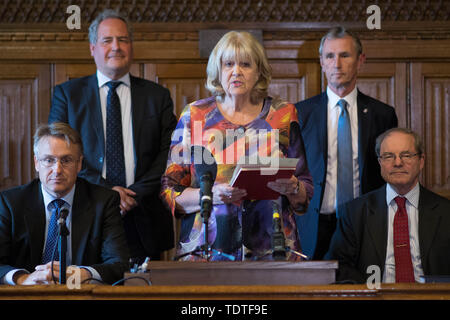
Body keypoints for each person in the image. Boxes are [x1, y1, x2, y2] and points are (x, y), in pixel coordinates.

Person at [161, 31, 313, 261]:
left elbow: (305, 192)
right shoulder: (195, 115)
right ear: (217, 70)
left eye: (245, 64)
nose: (236, 71)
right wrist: (210, 193)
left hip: (272, 249)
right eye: (228, 64)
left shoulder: (282, 114)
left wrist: (292, 187)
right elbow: (169, 191)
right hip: (207, 253)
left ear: (259, 71)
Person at [49, 10, 177, 263]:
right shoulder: (67, 95)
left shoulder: (157, 96)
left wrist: (131, 195)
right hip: (88, 213)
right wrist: (109, 192)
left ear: (131, 46)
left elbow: (169, 152)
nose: (116, 47)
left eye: (123, 40)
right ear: (93, 48)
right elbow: (59, 152)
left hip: (144, 217)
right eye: (108, 41)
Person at [295, 26, 398, 260]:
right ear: (321, 61)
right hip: (315, 225)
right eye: (330, 56)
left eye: (345, 55)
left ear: (360, 60)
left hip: (366, 223)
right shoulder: (301, 113)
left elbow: (390, 174)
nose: (336, 64)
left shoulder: (382, 115)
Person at [0, 123, 129, 285]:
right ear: (36, 163)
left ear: (79, 164)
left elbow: (119, 264)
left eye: (66, 160)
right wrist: (23, 279)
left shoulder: (103, 201)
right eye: (49, 160)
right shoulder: (10, 202)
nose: (57, 169)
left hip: (81, 295)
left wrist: (79, 275)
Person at [326, 128, 450, 283]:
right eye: (389, 156)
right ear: (380, 163)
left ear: (421, 161)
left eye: (406, 155)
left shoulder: (446, 212)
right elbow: (339, 266)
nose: (398, 163)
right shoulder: (354, 213)